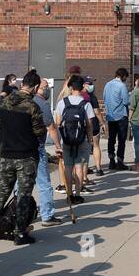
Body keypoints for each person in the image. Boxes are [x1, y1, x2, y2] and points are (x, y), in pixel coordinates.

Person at [0, 70, 46, 245]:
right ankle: (19, 233)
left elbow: (0, 125)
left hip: (7, 155)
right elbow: (39, 131)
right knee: (23, 196)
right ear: (34, 87)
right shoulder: (32, 107)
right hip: (26, 157)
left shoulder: (5, 103)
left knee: (2, 192)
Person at [28, 74, 62, 226]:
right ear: (38, 88)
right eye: (45, 87)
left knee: (21, 184)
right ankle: (47, 214)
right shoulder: (42, 104)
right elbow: (51, 127)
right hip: (38, 148)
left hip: (23, 148)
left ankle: (21, 211)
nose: (48, 90)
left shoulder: (25, 101)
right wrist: (57, 146)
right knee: (44, 183)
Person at [54, 75, 92, 204]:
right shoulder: (86, 104)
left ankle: (69, 194)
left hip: (66, 140)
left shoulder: (62, 103)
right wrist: (90, 140)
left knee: (68, 167)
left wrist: (59, 142)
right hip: (81, 140)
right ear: (82, 88)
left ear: (70, 87)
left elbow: (58, 123)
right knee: (79, 167)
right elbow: (89, 124)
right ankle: (78, 194)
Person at [104, 67, 130, 170]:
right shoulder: (122, 86)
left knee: (111, 139)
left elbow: (105, 98)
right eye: (126, 77)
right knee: (121, 139)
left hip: (110, 115)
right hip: (121, 115)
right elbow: (125, 102)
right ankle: (120, 161)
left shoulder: (107, 84)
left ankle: (111, 160)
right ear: (123, 76)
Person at [83, 76, 107, 177]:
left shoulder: (77, 95)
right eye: (90, 83)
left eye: (92, 83)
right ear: (84, 84)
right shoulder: (92, 97)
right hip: (93, 123)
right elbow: (97, 111)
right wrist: (103, 123)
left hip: (82, 124)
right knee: (96, 146)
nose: (92, 86)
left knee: (84, 148)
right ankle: (98, 168)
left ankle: (84, 169)